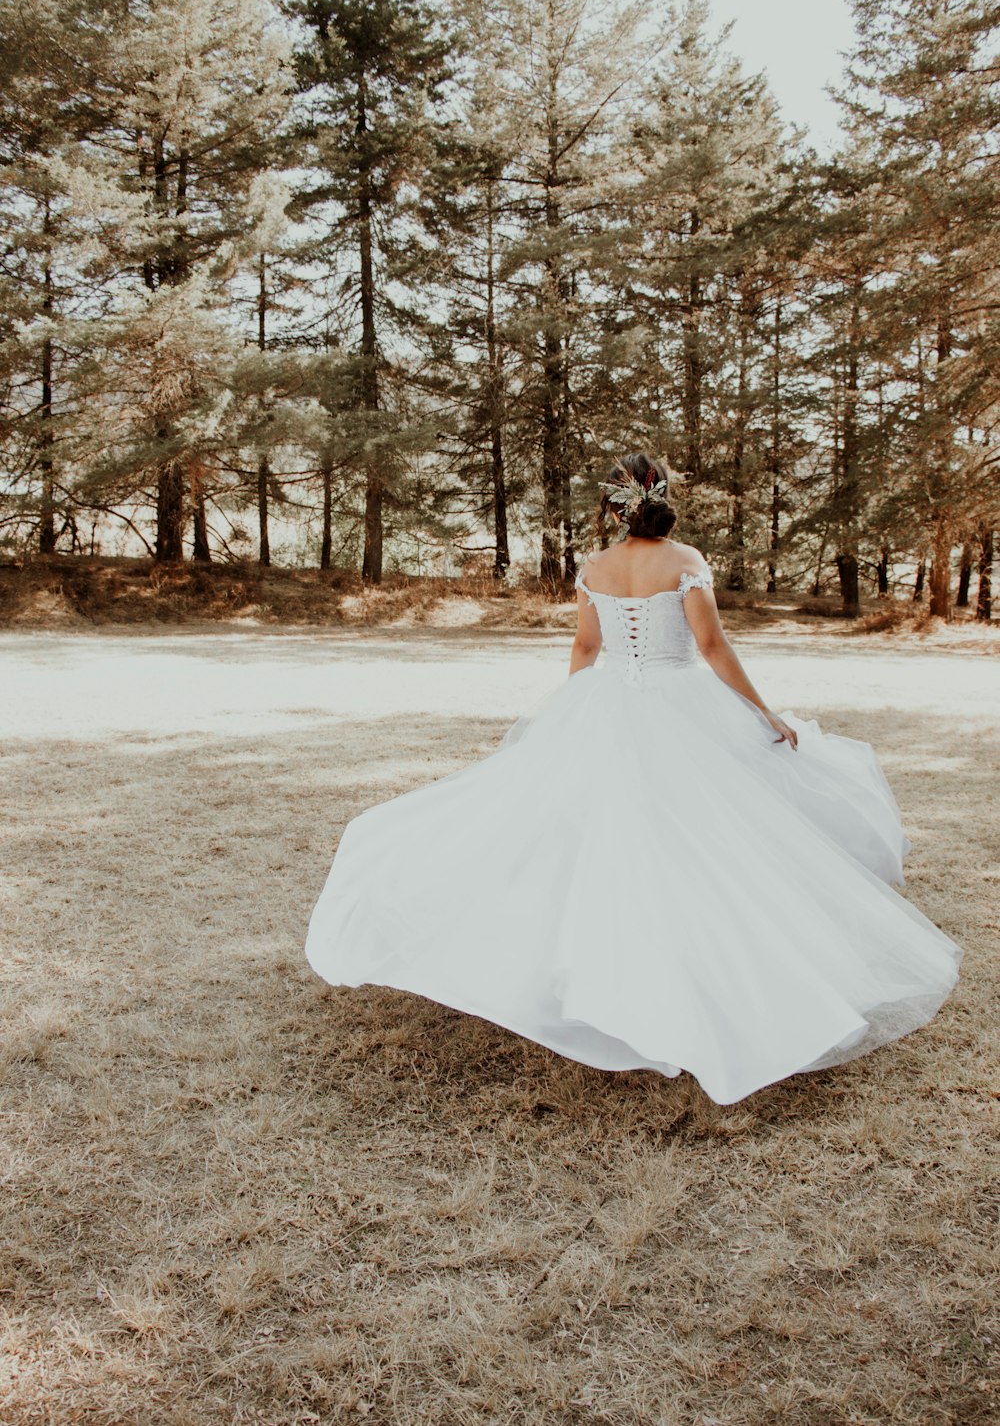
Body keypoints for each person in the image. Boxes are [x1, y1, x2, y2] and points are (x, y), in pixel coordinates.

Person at [305, 453, 962, 1105]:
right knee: (705, 842)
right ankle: (691, 984)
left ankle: (599, 977)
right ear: (664, 497)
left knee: (595, 841)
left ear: (614, 507)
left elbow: (587, 649)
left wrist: (567, 714)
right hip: (680, 705)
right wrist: (761, 711)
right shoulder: (685, 562)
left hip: (607, 702)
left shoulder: (595, 567)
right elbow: (710, 646)